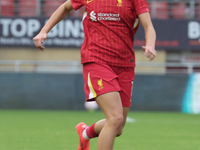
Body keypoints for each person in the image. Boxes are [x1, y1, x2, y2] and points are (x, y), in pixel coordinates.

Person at [33, 0, 156, 149]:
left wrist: (150, 45)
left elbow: (148, 26)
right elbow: (65, 7)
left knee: (119, 127)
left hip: (125, 64)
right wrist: (44, 30)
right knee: (115, 119)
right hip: (96, 60)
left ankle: (85, 132)